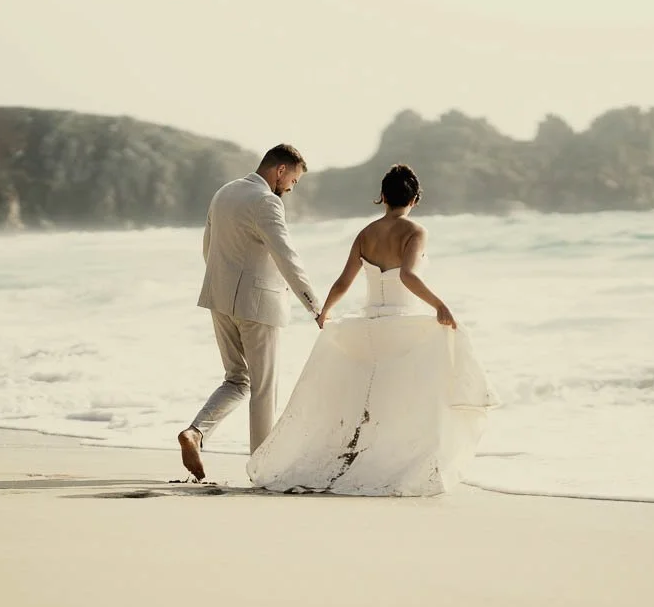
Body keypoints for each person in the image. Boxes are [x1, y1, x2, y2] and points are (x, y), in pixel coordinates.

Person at [246, 164, 500, 496]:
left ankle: (359, 458)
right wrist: (439, 305)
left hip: (367, 330)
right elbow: (408, 276)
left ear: (382, 196)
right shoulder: (415, 231)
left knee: (373, 399)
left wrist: (326, 311)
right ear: (415, 199)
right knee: (420, 390)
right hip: (403, 328)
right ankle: (402, 462)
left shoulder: (365, 234)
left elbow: (343, 281)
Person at [178, 144, 322, 480]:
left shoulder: (224, 192)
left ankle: (196, 433)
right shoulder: (266, 202)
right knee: (263, 388)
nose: (290, 188)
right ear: (281, 170)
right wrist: (314, 305)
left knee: (236, 379)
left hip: (219, 298)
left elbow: (208, 247)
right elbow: (286, 256)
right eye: (293, 181)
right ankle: (263, 469)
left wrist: (224, 287)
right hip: (258, 306)